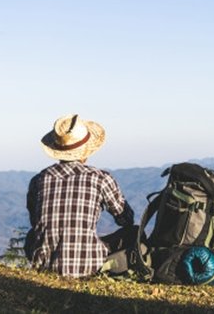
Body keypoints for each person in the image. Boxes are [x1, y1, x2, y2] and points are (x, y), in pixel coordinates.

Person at [24, 114, 135, 278]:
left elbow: (36, 222)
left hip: (44, 264)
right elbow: (125, 219)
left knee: (31, 235)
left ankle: (46, 264)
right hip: (88, 266)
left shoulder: (39, 179)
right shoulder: (100, 178)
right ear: (86, 151)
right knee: (133, 232)